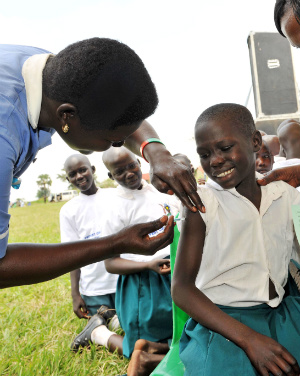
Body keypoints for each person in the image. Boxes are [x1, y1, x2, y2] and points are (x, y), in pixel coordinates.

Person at [0, 38, 204, 289]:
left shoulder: (51, 73)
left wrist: (158, 154)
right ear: (66, 115)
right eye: (112, 139)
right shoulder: (4, 133)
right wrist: (114, 244)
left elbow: (122, 116)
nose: (119, 145)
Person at [172, 103, 300, 376]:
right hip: (222, 323)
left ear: (255, 141)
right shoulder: (203, 203)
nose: (215, 160)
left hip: (282, 311)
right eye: (204, 154)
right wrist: (249, 339)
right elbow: (181, 287)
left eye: (225, 148)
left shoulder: (285, 195)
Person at [70, 147, 177, 373]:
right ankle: (100, 334)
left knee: (178, 335)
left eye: (131, 166)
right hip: (142, 284)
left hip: (172, 275)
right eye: (119, 171)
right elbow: (111, 263)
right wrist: (148, 264)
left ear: (139, 162)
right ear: (111, 176)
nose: (129, 173)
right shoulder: (113, 207)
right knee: (141, 348)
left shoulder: (157, 192)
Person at [59, 154, 119, 322]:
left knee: (127, 325)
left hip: (123, 279)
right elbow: (72, 254)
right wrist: (75, 294)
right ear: (68, 179)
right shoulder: (68, 210)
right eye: (72, 174)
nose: (79, 176)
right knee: (104, 324)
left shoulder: (115, 196)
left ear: (92, 169)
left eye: (82, 170)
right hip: (94, 287)